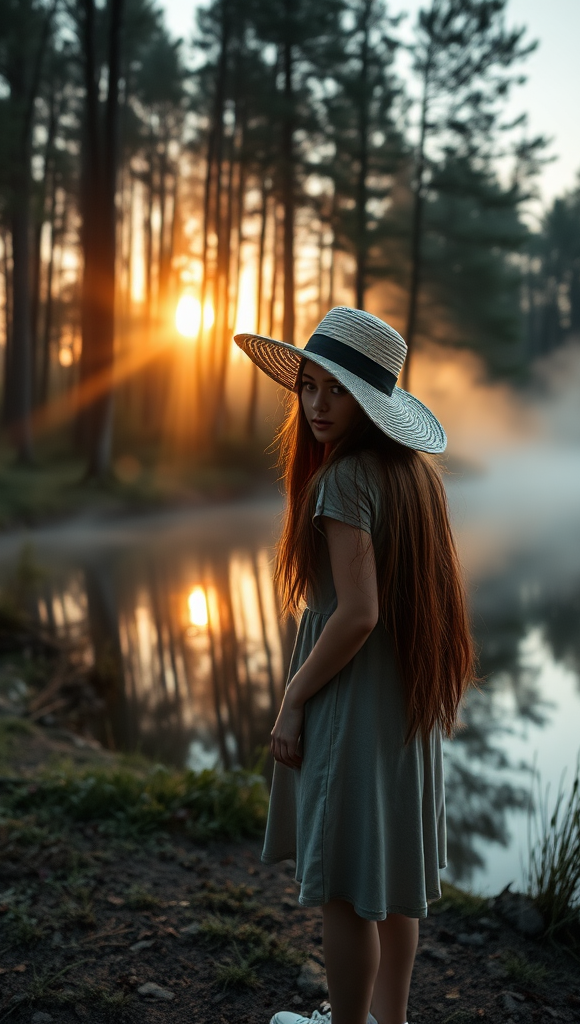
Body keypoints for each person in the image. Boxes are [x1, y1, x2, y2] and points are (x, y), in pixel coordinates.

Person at [233, 307, 476, 1024]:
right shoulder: (416, 479)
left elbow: (358, 613)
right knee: (393, 876)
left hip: (355, 700)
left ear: (369, 402)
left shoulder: (343, 483)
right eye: (308, 386)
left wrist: (293, 699)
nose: (316, 405)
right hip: (404, 701)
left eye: (335, 391)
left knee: (345, 884)